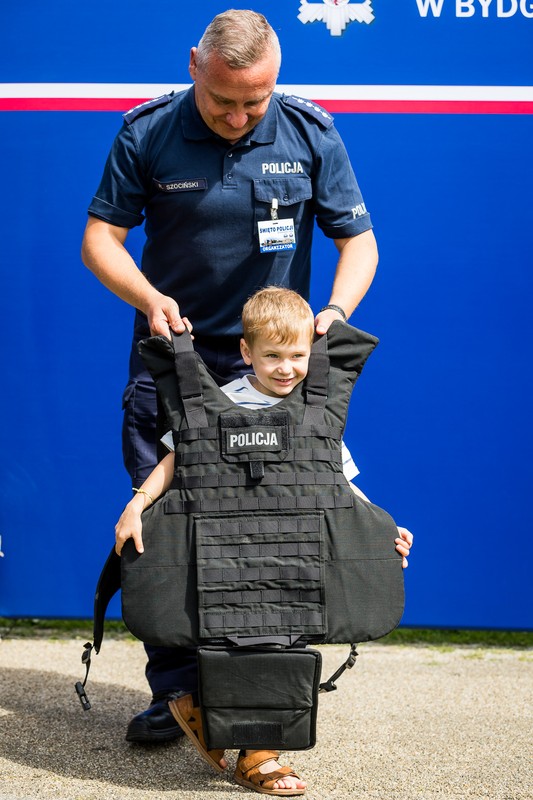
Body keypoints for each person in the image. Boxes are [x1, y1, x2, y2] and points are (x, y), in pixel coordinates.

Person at [81, 9, 380, 744]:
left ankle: (254, 692)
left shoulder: (309, 131)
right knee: (167, 531)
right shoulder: (146, 132)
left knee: (267, 530)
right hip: (176, 362)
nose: (241, 116)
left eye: (256, 101)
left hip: (273, 369)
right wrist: (148, 298)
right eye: (225, 102)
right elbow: (101, 237)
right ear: (193, 67)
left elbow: (359, 241)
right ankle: (179, 693)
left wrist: (334, 312)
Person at [115, 286, 414, 796]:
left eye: (297, 356)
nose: (285, 368)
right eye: (272, 356)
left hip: (291, 554)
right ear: (245, 352)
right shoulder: (220, 401)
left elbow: (339, 487)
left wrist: (383, 530)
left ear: (310, 355)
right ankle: (251, 746)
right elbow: (175, 462)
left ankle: (231, 728)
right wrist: (136, 505)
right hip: (222, 553)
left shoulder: (316, 412)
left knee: (281, 634)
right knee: (232, 633)